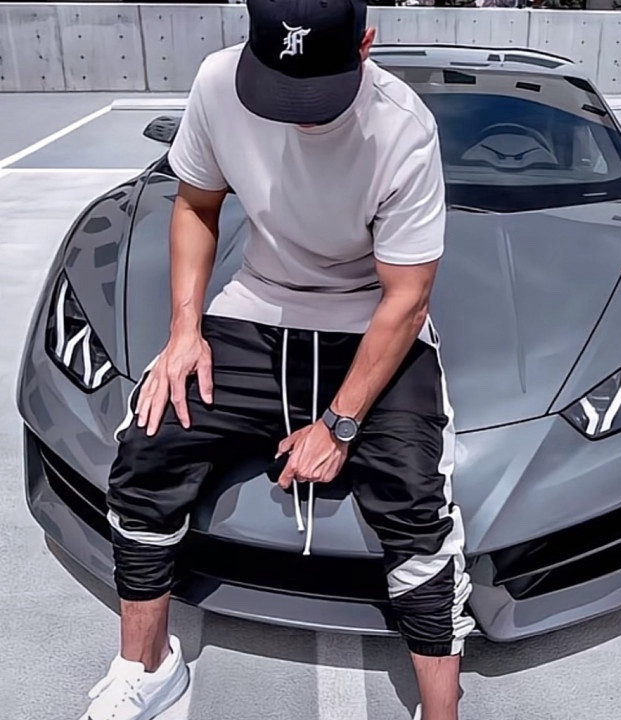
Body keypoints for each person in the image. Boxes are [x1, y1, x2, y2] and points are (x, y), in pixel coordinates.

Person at [79, 1, 475, 719]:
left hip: (368, 316)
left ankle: (441, 713)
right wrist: (185, 332)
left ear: (365, 43)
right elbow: (196, 205)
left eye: (316, 90)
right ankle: (149, 667)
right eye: (280, 88)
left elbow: (407, 299)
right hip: (258, 302)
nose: (299, 114)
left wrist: (339, 425)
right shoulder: (216, 83)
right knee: (148, 444)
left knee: (416, 503)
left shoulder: (403, 127)